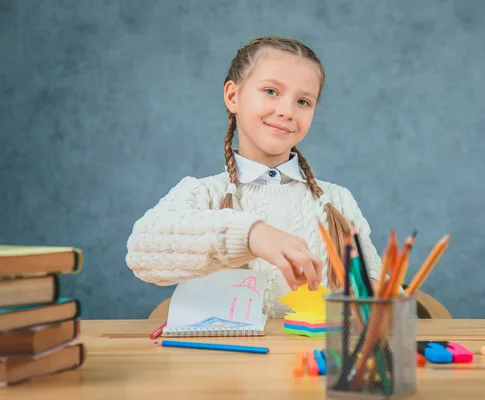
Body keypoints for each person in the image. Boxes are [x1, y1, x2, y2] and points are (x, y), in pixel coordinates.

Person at [126, 36, 382, 318]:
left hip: (315, 359)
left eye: (303, 101)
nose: (287, 111)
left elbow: (375, 286)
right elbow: (141, 252)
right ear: (233, 96)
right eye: (271, 91)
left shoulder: (337, 201)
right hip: (224, 361)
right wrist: (249, 234)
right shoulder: (204, 194)